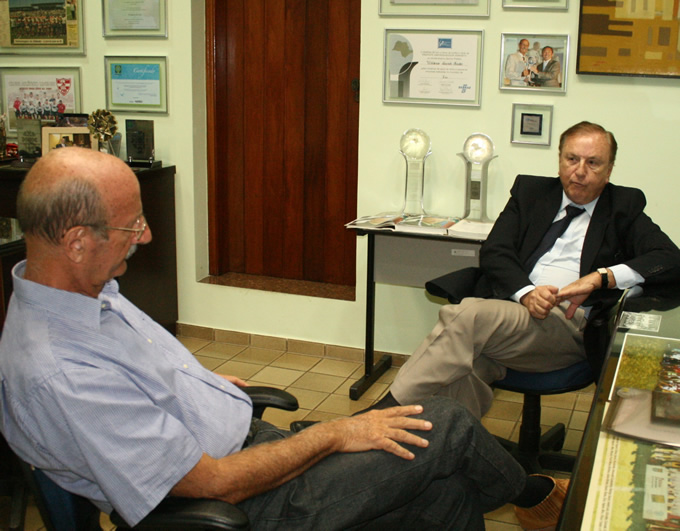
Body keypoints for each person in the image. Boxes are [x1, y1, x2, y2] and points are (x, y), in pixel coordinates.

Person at [0, 147, 568, 530]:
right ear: (76, 240)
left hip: (253, 443)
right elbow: (213, 483)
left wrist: (200, 384)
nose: (145, 236)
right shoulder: (59, 369)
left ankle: (511, 492)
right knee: (442, 424)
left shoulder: (87, 293)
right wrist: (337, 435)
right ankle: (536, 497)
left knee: (447, 494)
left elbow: (142, 381)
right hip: (252, 500)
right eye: (133, 225)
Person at [377, 121, 680, 419]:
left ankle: (382, 410)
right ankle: (447, 451)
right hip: (510, 315)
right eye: (571, 159)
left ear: (610, 169)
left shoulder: (621, 207)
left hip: (569, 325)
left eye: (593, 163)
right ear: (560, 159)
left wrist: (603, 277)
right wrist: (525, 294)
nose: (580, 171)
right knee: (464, 370)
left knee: (464, 314)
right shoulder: (532, 193)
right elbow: (495, 251)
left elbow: (670, 258)